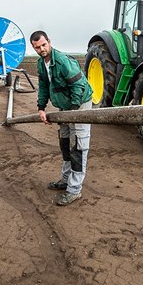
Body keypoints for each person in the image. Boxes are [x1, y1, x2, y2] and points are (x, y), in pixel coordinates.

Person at [30, 31, 93, 206]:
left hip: (79, 104)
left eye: (44, 45)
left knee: (78, 146)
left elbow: (78, 86)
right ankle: (65, 180)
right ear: (33, 48)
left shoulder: (63, 61)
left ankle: (74, 190)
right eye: (37, 47)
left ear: (49, 42)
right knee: (65, 143)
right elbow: (43, 86)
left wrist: (72, 112)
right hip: (65, 105)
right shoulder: (41, 64)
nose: (42, 49)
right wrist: (41, 108)